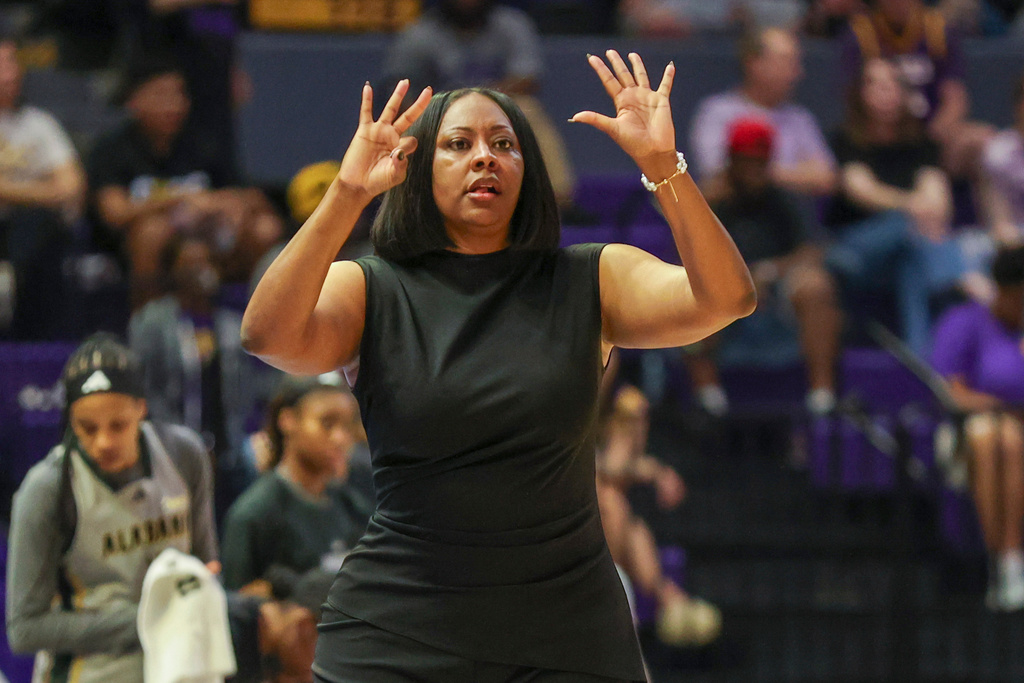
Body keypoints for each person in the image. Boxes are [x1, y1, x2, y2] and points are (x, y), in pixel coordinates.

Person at [242, 47, 754, 682]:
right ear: (418, 169)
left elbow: (728, 299)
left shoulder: (593, 278)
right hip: (401, 625)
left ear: (527, 169)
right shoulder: (373, 289)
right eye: (458, 143)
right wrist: (348, 194)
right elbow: (267, 335)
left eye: (504, 143)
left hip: (568, 631)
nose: (484, 156)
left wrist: (662, 167)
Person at [4, 333, 218, 682]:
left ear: (141, 408)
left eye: (118, 425)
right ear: (70, 420)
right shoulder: (45, 489)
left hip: (180, 668)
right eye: (86, 428)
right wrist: (149, 619)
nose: (103, 442)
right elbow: (24, 629)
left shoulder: (184, 455)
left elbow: (206, 568)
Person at [86, 53, 281, 308]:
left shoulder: (203, 142)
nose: (173, 104)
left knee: (266, 228)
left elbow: (248, 195)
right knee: (152, 232)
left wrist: (224, 203)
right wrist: (179, 199)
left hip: (210, 237)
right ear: (134, 100)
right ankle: (148, 326)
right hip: (141, 250)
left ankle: (259, 324)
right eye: (160, 95)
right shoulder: (112, 149)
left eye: (179, 94)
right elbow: (115, 212)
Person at [688, 117, 840, 416]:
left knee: (816, 286)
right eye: (747, 161)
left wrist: (768, 272)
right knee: (695, 289)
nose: (755, 169)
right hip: (722, 288)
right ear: (732, 160)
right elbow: (689, 256)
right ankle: (706, 394)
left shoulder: (783, 198)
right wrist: (739, 279)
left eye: (761, 161)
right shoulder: (708, 199)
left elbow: (810, 250)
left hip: (776, 286)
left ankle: (822, 397)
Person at [381, 0, 580, 216]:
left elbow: (527, 78)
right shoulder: (419, 34)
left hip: (497, 109)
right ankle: (407, 207)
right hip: (438, 114)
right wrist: (443, 108)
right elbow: (402, 90)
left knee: (527, 107)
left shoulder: (511, 24)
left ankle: (558, 200)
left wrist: (477, 100)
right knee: (405, 120)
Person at [128, 233, 268, 525]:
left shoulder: (232, 324)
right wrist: (187, 444)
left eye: (207, 261)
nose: (201, 269)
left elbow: (247, 392)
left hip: (229, 451)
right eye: (190, 263)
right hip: (171, 449)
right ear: (173, 272)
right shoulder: (152, 322)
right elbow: (144, 391)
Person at [825, 57, 955, 354]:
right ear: (860, 93)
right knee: (907, 227)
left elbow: (939, 200)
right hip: (856, 246)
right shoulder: (845, 139)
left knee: (910, 262)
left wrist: (919, 212)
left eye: (892, 84)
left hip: (897, 253)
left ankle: (919, 357)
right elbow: (862, 190)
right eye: (876, 85)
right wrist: (912, 208)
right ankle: (955, 275)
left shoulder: (921, 143)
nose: (886, 92)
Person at [931, 246, 1024, 610]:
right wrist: (1002, 410)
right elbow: (951, 392)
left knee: (1008, 439)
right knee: (995, 436)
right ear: (1001, 290)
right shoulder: (964, 321)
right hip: (966, 436)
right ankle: (1008, 564)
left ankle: (1008, 566)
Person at [221, 375, 373, 592]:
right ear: (288, 420)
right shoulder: (253, 515)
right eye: (327, 423)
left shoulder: (354, 507)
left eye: (347, 426)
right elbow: (237, 610)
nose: (340, 438)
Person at [596, 386, 722, 647]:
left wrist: (672, 598)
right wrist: (656, 471)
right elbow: (611, 467)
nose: (642, 431)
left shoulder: (630, 520)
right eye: (636, 423)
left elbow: (646, 571)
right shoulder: (601, 489)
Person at [840, 0, 994, 179]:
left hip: (932, 134)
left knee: (984, 140)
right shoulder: (862, 33)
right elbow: (853, 101)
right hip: (882, 135)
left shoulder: (938, 29)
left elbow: (955, 100)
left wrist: (930, 140)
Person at [0, 34, 87, 340]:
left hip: (31, 234)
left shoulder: (39, 124)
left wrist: (7, 191)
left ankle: (37, 344)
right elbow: (53, 189)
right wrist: (38, 187)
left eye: (12, 62)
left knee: (39, 225)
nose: (8, 73)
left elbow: (70, 188)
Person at [688, 26, 836, 201]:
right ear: (754, 63)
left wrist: (762, 171)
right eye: (786, 61)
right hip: (731, 216)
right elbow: (717, 174)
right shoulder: (717, 112)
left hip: (787, 218)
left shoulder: (800, 118)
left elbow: (826, 177)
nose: (797, 72)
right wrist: (795, 173)